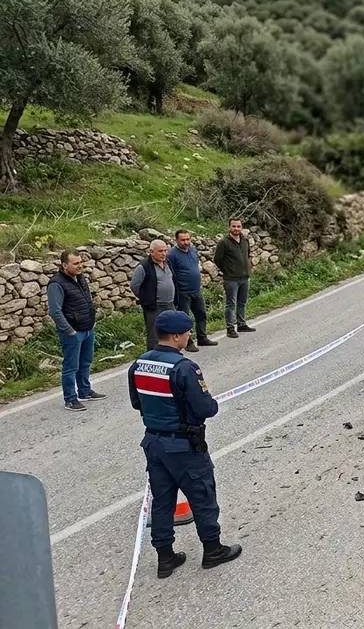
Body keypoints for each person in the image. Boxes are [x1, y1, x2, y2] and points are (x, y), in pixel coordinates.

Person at [129, 310, 242, 578]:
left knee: (163, 501)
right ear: (177, 336)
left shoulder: (139, 364)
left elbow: (137, 403)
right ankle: (213, 550)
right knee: (202, 496)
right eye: (188, 332)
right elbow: (204, 408)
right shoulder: (184, 368)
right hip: (184, 446)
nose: (189, 336)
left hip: (153, 443)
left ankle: (165, 557)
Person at [48, 249, 106, 412]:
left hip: (87, 328)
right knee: (71, 366)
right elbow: (55, 311)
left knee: (85, 362)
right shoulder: (56, 284)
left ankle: (84, 391)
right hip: (73, 332)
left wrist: (91, 322)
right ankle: (70, 399)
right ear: (64, 265)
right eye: (76, 263)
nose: (80, 266)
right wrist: (70, 331)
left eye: (81, 262)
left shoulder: (80, 278)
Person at [166, 229, 217, 352]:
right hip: (183, 292)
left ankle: (202, 337)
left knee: (201, 314)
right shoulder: (172, 255)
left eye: (188, 239)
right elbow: (170, 274)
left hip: (196, 290)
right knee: (185, 318)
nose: (186, 242)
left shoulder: (193, 251)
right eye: (183, 240)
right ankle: (188, 342)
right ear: (176, 240)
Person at [131, 240, 176, 352]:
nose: (164, 254)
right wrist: (146, 298)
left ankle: (169, 355)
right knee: (154, 335)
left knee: (171, 332)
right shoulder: (143, 267)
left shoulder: (167, 263)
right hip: (154, 307)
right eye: (160, 251)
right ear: (151, 252)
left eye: (165, 251)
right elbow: (134, 286)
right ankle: (153, 357)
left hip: (169, 305)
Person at [214, 218, 255, 339]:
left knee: (242, 302)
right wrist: (228, 270)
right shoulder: (224, 242)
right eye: (234, 226)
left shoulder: (245, 241)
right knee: (231, 304)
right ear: (229, 227)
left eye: (238, 226)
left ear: (241, 227)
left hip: (244, 277)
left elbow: (247, 255)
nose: (236, 229)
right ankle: (230, 328)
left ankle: (241, 324)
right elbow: (217, 260)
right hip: (231, 279)